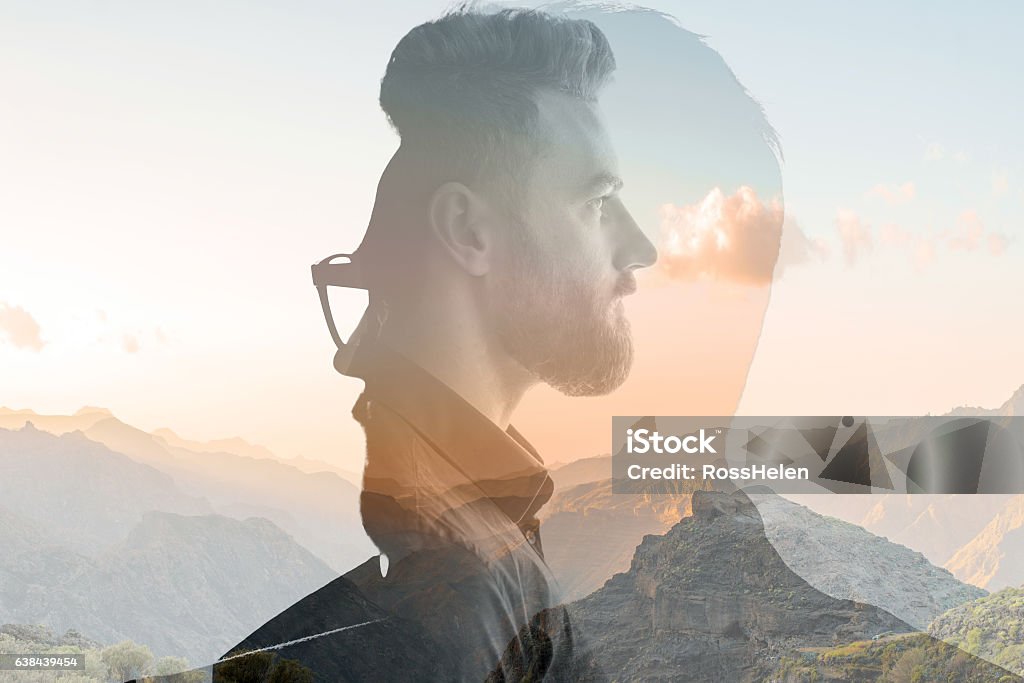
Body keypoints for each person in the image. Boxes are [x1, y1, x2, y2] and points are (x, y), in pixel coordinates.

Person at [213, 8, 654, 681]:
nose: (641, 248)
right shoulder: (445, 594)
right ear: (469, 230)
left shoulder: (467, 516)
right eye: (596, 202)